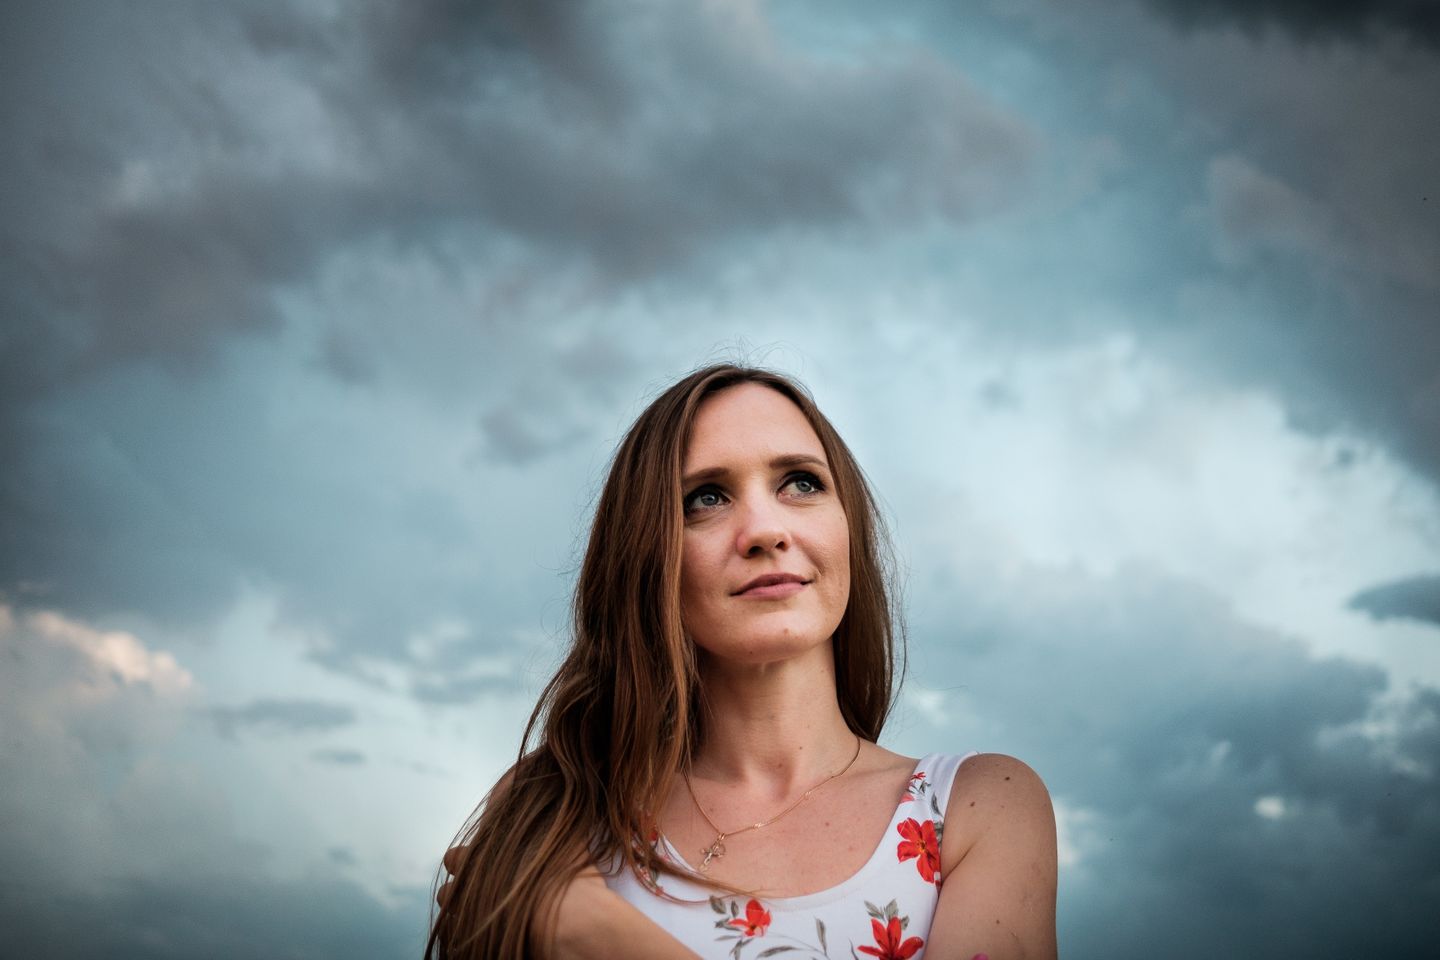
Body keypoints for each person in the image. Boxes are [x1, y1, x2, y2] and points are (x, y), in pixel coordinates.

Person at [428, 364, 1057, 959]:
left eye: (801, 483)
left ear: (849, 527)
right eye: (705, 498)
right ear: (647, 557)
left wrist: (591, 932)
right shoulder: (554, 807)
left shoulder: (977, 808)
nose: (764, 530)